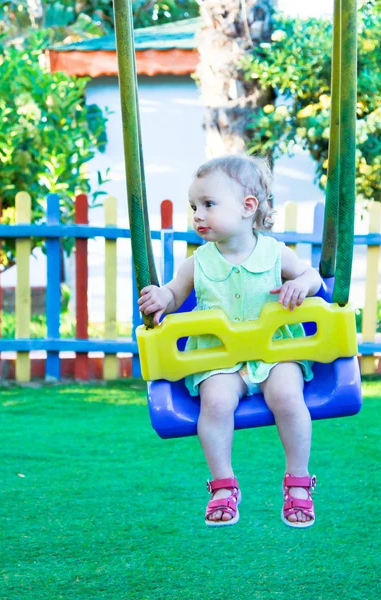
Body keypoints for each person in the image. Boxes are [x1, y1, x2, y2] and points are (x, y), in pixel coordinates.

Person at [138, 155, 323, 528]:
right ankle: (223, 485)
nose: (197, 215)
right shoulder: (198, 262)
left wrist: (300, 285)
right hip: (220, 358)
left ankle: (298, 482)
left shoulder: (274, 252)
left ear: (247, 207)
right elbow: (174, 295)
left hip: (274, 353)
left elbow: (313, 277)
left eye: (208, 204)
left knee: (288, 397)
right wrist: (161, 298)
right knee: (216, 404)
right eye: (194, 206)